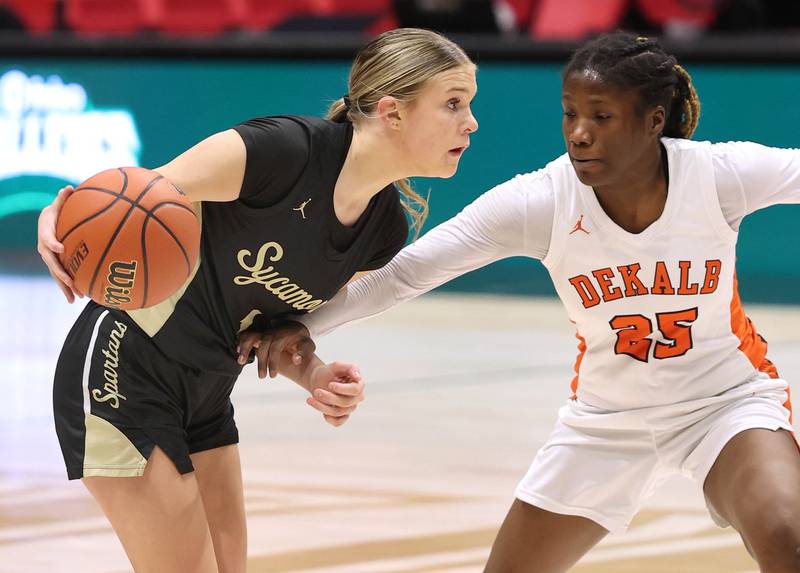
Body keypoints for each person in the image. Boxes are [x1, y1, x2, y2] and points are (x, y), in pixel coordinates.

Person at [251, 31, 800, 572]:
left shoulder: (717, 175)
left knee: (786, 534)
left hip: (724, 405)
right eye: (570, 114)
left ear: (653, 120)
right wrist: (299, 325)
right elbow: (401, 275)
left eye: (601, 117)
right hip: (606, 424)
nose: (579, 134)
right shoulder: (542, 200)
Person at [35, 27, 478, 573]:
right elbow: (129, 200)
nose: (471, 122)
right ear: (392, 111)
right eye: (453, 104)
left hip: (207, 392)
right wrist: (57, 216)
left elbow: (271, 329)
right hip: (125, 370)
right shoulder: (281, 152)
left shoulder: (383, 230)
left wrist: (313, 372)